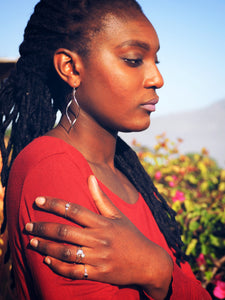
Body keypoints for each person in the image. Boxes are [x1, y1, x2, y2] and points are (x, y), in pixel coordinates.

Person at [0, 0, 211, 299]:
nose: (157, 79)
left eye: (156, 62)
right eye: (134, 59)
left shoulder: (126, 171)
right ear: (71, 68)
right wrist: (161, 275)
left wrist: (158, 270)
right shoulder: (53, 168)